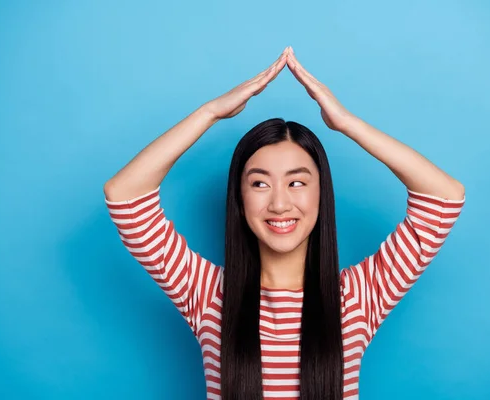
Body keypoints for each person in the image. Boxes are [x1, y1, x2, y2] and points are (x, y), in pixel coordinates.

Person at [103, 46, 466, 400]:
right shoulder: (209, 295)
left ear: (321, 195)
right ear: (239, 200)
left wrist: (347, 124)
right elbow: (124, 196)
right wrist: (210, 113)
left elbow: (444, 197)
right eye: (260, 183)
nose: (279, 203)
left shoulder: (356, 299)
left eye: (297, 183)